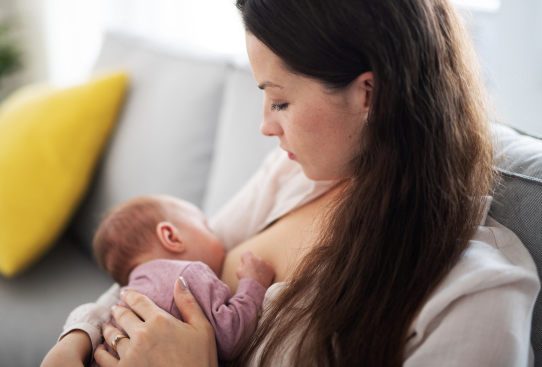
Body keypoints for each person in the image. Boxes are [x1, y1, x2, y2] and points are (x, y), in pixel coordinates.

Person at [42, 0, 540, 366]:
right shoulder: (294, 175)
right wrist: (77, 337)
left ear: (370, 94)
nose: (266, 125)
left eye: (280, 101)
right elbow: (166, 265)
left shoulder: (475, 295)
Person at [89, 195, 275, 366]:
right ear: (171, 237)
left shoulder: (124, 299)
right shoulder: (188, 272)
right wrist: (254, 283)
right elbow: (230, 338)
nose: (219, 240)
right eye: (207, 228)